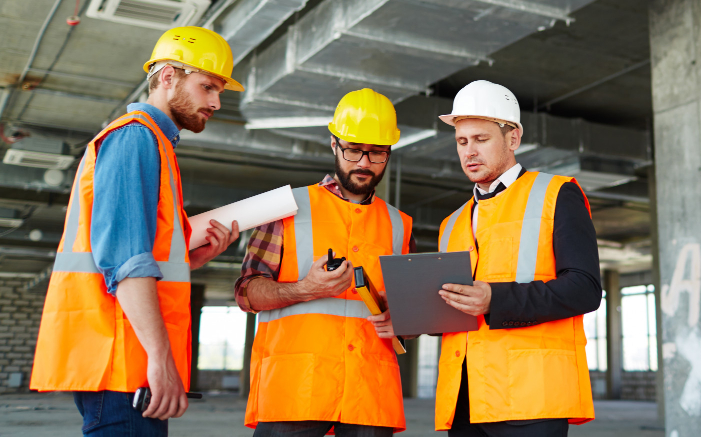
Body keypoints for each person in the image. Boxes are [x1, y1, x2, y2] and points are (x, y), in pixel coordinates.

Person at [31, 26, 243, 436]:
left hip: (126, 358)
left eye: (219, 91)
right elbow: (127, 262)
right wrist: (160, 359)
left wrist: (188, 260)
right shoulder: (135, 138)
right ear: (167, 77)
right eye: (207, 87)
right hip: (123, 362)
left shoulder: (154, 144)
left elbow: (134, 252)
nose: (216, 102)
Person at [237, 88, 415, 437]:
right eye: (353, 150)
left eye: (377, 153)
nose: (364, 163)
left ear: (389, 153)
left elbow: (407, 309)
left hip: (370, 388)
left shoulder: (401, 224)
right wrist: (305, 289)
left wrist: (403, 317)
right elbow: (247, 293)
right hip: (296, 385)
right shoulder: (287, 208)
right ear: (334, 144)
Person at [434, 80, 602, 437]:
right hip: (465, 398)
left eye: (481, 139)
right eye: (462, 141)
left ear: (513, 139)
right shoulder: (451, 223)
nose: (469, 152)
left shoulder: (557, 194)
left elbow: (585, 289)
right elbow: (452, 309)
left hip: (531, 397)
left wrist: (496, 299)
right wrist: (408, 315)